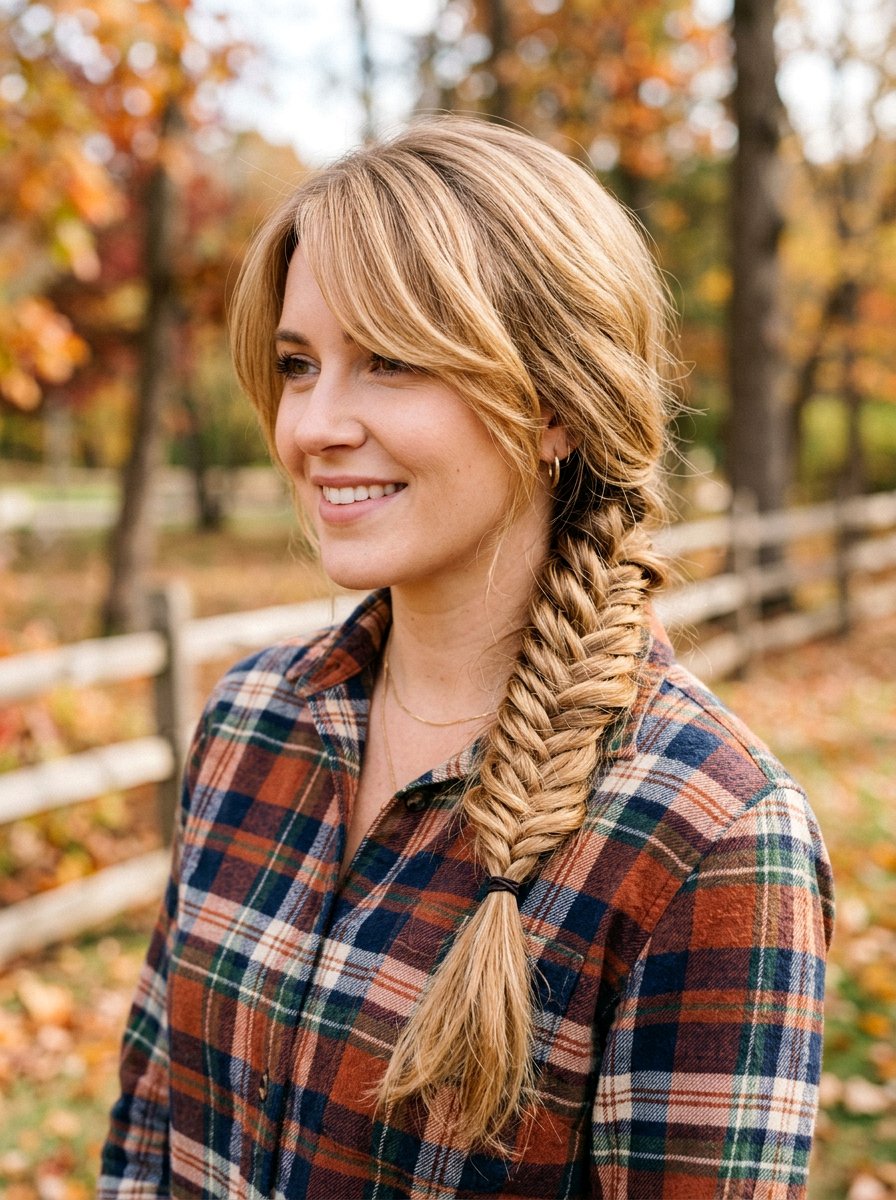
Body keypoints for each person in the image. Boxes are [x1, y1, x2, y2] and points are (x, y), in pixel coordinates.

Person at [99, 117, 834, 1199]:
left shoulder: (709, 837)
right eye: (299, 365)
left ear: (553, 406)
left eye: (391, 360)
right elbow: (149, 1135)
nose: (313, 424)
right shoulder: (250, 719)